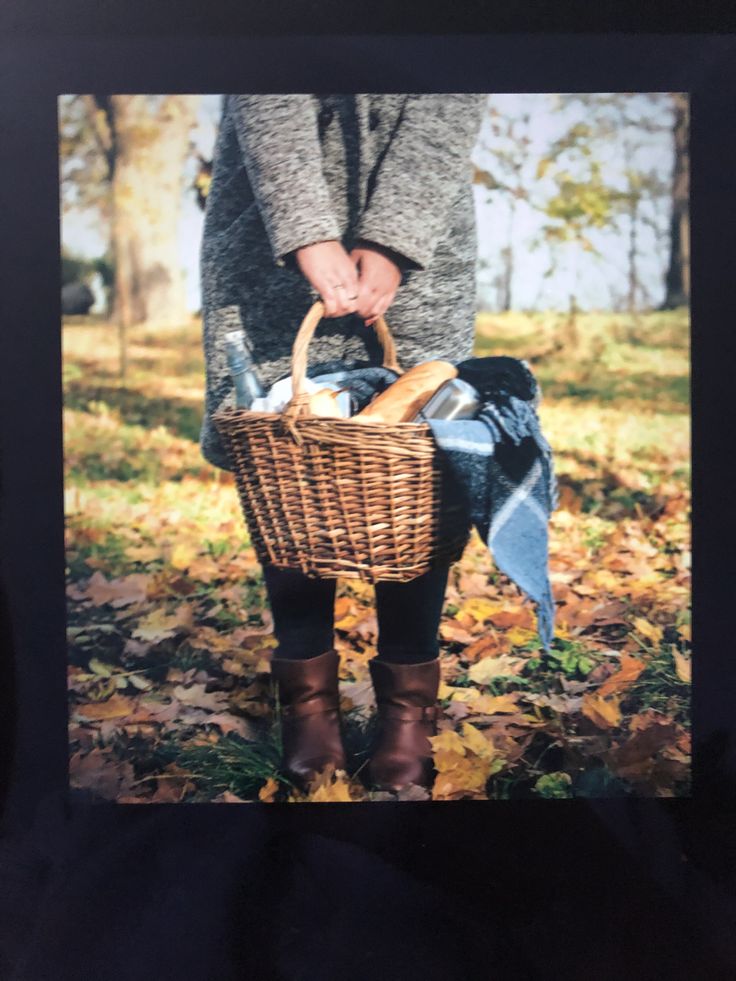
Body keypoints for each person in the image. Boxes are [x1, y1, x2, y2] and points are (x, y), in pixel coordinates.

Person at [200, 93, 486, 793]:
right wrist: (305, 229)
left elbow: (454, 93)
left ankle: (407, 715)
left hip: (418, 232)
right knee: (288, 461)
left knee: (418, 464)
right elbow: (263, 80)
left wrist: (394, 238)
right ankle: (308, 708)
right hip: (271, 215)